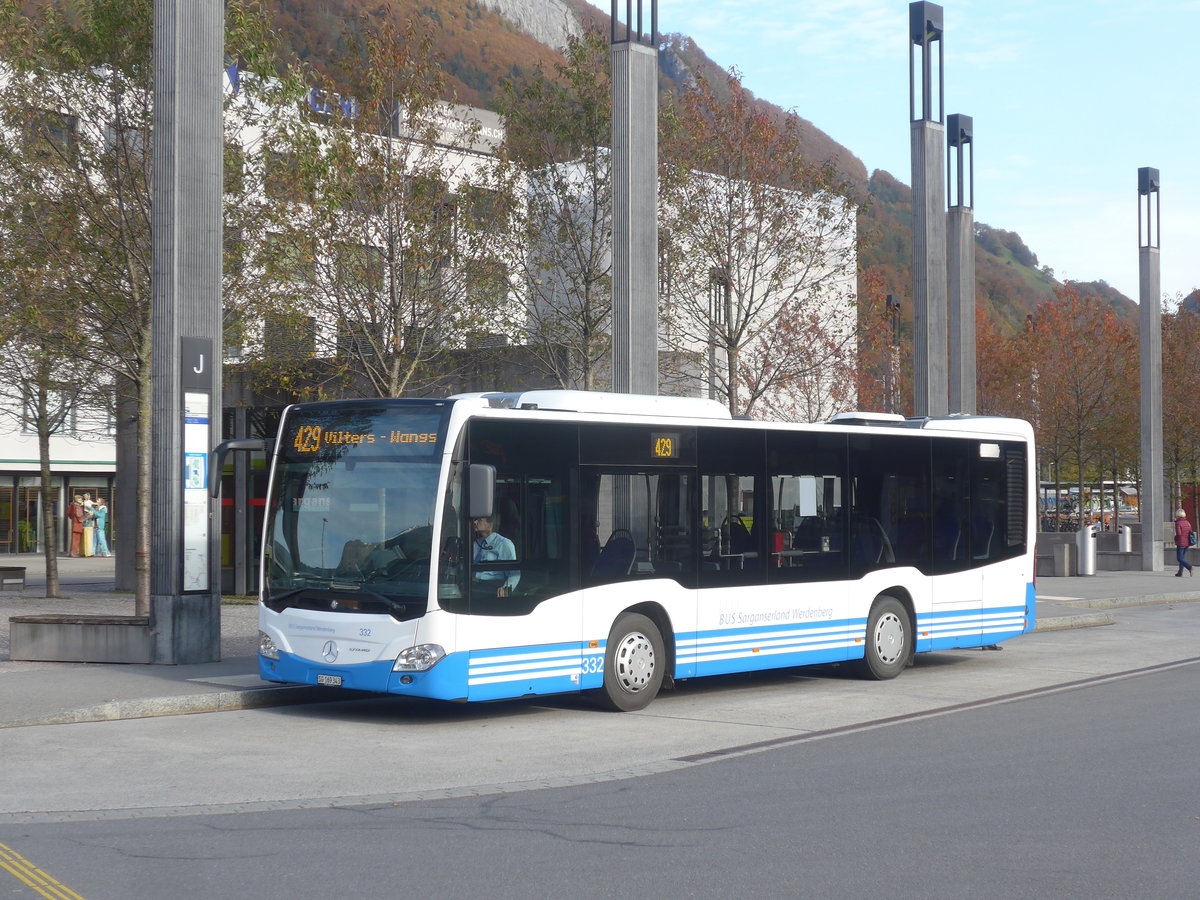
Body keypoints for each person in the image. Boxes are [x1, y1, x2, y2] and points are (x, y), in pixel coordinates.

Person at [472, 515, 519, 597]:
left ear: (490, 524)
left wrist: (505, 589)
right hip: (473, 586)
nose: (475, 522)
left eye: (480, 520)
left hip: (492, 588)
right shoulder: (477, 543)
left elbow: (514, 574)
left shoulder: (504, 544)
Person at [1173, 508, 1193, 577]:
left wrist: (1175, 538)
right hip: (1187, 542)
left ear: (1177, 515)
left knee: (1179, 558)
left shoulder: (1178, 523)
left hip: (1181, 542)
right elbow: (1190, 531)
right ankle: (1180, 572)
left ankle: (1189, 567)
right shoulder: (1187, 522)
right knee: (1182, 558)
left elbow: (1179, 534)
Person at [81, 493, 95, 558]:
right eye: (84, 496)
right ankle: (85, 525)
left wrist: (97, 504)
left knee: (88, 520)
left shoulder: (89, 501)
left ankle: (87, 525)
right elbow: (81, 505)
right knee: (85, 520)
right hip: (85, 512)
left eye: (86, 496)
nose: (85, 497)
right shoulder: (84, 502)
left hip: (88, 512)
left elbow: (93, 504)